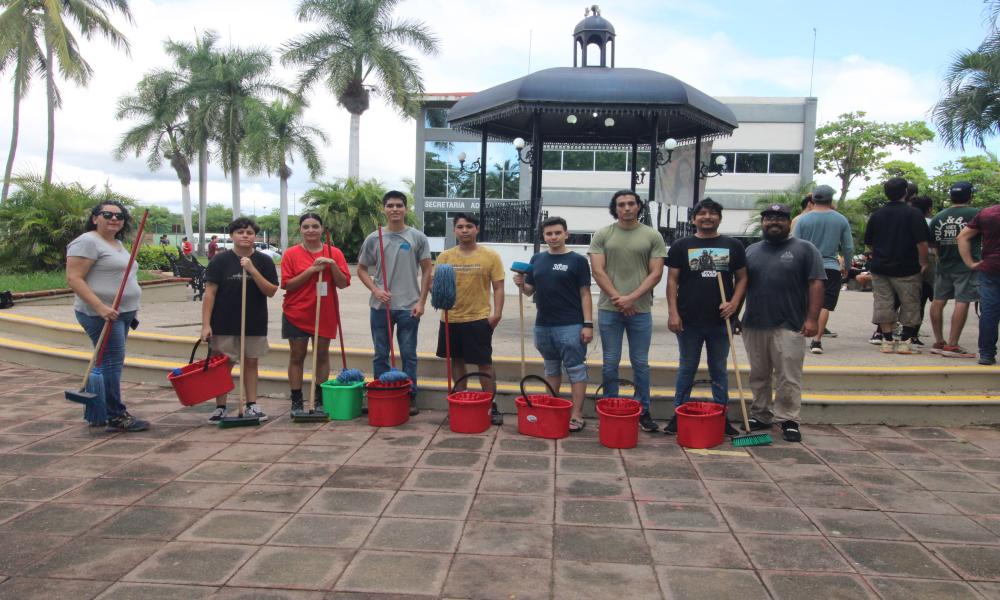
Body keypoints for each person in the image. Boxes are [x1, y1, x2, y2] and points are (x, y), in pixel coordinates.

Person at [742, 203, 825, 442]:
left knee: (788, 375)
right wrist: (736, 315)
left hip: (790, 324)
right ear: (762, 223)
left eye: (779, 218)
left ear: (789, 222)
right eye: (769, 218)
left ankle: (788, 418)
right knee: (758, 374)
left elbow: (817, 284)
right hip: (755, 323)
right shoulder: (751, 251)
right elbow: (742, 285)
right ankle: (761, 415)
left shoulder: (805, 249)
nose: (773, 222)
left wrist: (812, 319)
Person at [66, 201, 150, 432]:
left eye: (119, 216)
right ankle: (116, 414)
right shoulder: (87, 242)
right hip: (100, 314)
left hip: (121, 313)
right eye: (107, 214)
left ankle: (97, 411)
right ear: (95, 218)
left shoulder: (116, 243)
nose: (114, 219)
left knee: (107, 363)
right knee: (111, 363)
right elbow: (74, 278)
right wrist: (101, 307)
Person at [665, 198, 747, 436]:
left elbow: (742, 278)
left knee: (718, 369)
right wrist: (673, 312)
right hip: (689, 320)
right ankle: (678, 414)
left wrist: (734, 304)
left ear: (719, 218)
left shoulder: (733, 245)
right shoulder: (682, 245)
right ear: (694, 219)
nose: (707, 217)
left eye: (712, 213)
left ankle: (722, 416)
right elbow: (672, 281)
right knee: (686, 368)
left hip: (721, 321)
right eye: (702, 214)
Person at [588, 190, 667, 433]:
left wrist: (631, 298)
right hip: (609, 310)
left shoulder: (652, 235)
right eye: (621, 204)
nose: (627, 208)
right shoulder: (603, 234)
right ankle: (610, 405)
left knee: (640, 363)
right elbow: (598, 271)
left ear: (638, 206)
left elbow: (656, 273)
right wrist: (618, 299)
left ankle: (643, 410)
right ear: (615, 208)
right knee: (610, 362)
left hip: (640, 310)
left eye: (631, 203)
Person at [513, 216, 593, 432]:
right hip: (543, 325)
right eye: (549, 233)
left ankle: (576, 414)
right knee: (551, 367)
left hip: (571, 325)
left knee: (576, 370)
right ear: (544, 236)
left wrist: (588, 324)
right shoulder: (537, 259)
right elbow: (530, 290)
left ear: (566, 234)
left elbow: (585, 294)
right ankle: (553, 406)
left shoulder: (577, 261)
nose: (553, 237)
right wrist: (521, 284)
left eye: (558, 232)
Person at [358, 191, 432, 415]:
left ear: (406, 209)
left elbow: (428, 270)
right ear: (384, 209)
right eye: (390, 205)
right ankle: (382, 393)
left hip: (409, 306)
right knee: (381, 353)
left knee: (408, 354)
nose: (394, 209)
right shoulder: (374, 238)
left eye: (399, 205)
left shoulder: (417, 237)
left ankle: (409, 396)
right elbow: (361, 269)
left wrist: (422, 302)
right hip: (381, 306)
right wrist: (376, 290)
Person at [201, 218, 279, 422]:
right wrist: (206, 325)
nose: (245, 235)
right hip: (224, 321)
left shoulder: (264, 261)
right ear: (232, 235)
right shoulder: (220, 260)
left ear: (255, 236)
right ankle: (220, 406)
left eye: (250, 232)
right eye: (240, 232)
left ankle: (252, 405)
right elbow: (210, 293)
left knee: (251, 362)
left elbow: (271, 291)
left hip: (254, 321)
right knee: (223, 365)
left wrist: (252, 270)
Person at [435, 213, 505, 424]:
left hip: (478, 318)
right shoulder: (445, 257)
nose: (464, 230)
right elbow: (437, 287)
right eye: (460, 227)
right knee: (456, 361)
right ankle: (459, 400)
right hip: (450, 318)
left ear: (477, 229)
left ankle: (490, 405)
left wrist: (498, 313)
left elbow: (499, 286)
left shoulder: (490, 256)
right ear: (455, 230)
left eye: (469, 226)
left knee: (484, 363)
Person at [280, 213, 351, 415]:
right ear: (300, 230)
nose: (311, 230)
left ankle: (319, 398)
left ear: (322, 229)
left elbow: (343, 283)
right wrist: (311, 270)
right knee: (297, 354)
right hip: (297, 312)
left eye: (315, 226)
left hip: (324, 312)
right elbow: (286, 284)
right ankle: (296, 400)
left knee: (321, 354)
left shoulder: (334, 252)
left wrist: (332, 265)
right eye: (306, 227)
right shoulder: (291, 254)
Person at [864, 177, 930, 354]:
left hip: (880, 267)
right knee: (910, 303)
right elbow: (922, 243)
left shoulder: (876, 215)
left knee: (883, 303)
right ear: (905, 193)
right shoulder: (914, 214)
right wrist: (924, 262)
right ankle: (905, 341)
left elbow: (869, 243)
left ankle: (886, 340)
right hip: (907, 267)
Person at [791, 184, 853, 355]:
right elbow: (848, 247)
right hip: (831, 267)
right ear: (830, 199)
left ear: (813, 199)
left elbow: (794, 244)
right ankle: (817, 341)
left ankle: (799, 335)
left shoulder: (803, 219)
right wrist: (846, 266)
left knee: (805, 300)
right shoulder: (840, 219)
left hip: (806, 266)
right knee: (825, 304)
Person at [929, 182, 980, 358]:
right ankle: (952, 345)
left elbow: (933, 247)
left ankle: (938, 341)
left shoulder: (938, 217)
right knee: (962, 300)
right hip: (967, 265)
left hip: (943, 265)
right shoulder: (976, 214)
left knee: (938, 300)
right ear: (970, 195)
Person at [958, 201, 1000, 365]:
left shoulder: (987, 213)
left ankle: (987, 354)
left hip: (990, 268)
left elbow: (962, 236)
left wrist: (970, 263)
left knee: (989, 312)